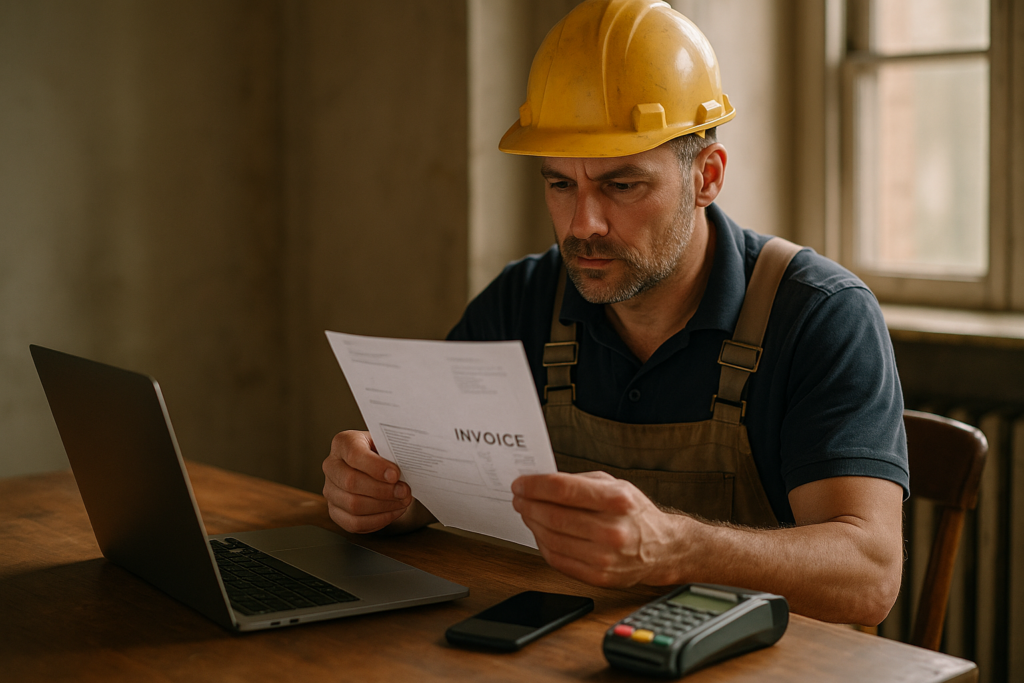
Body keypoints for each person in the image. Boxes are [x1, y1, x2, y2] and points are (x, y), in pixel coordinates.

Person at [322, 0, 908, 626]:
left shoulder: (820, 317)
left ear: (706, 176)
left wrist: (676, 547)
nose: (583, 226)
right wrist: (389, 495)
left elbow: (869, 576)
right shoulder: (523, 301)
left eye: (622, 186)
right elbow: (431, 483)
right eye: (560, 185)